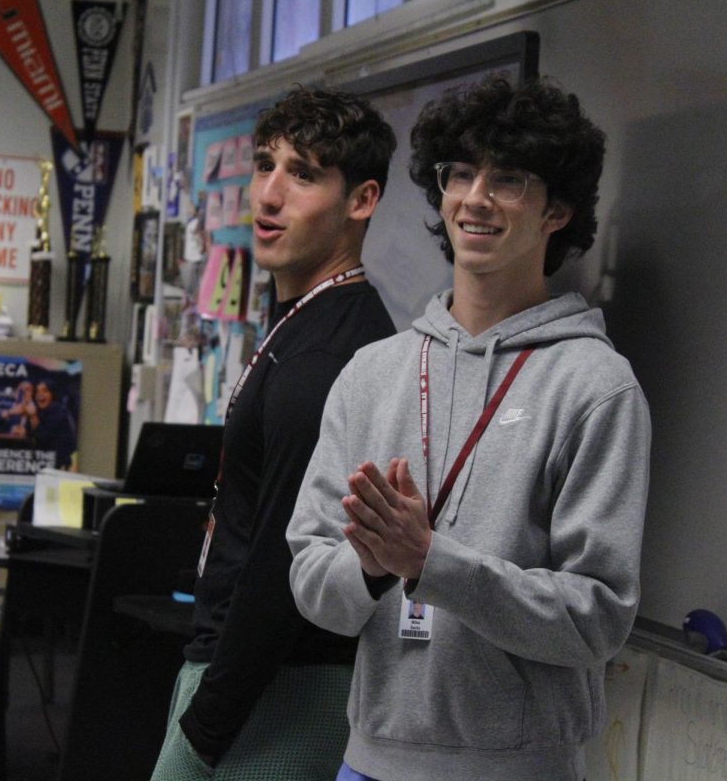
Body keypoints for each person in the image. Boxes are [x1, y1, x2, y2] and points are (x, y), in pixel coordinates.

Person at [287, 74, 651, 781]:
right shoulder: (373, 371)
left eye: (509, 179)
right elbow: (311, 581)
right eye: (460, 174)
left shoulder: (596, 386)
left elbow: (597, 617)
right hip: (367, 763)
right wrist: (370, 565)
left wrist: (430, 564)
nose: (475, 198)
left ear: (557, 212)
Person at [150, 87, 398, 780]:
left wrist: (204, 729)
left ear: (362, 200)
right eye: (265, 166)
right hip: (240, 671)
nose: (268, 195)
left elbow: (285, 562)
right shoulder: (305, 323)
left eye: (304, 174)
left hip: (277, 687)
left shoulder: (328, 355)